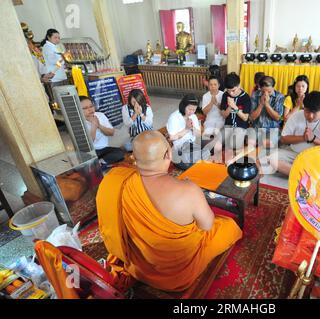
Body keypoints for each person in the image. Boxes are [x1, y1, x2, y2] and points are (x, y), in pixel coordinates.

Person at [96, 131, 242, 292]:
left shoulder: (116, 181)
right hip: (178, 276)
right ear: (168, 154)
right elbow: (207, 225)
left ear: (134, 158)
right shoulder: (189, 190)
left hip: (139, 267)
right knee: (228, 226)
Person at [268, 91, 320, 176]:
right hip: (294, 154)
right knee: (270, 158)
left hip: (316, 158)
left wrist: (314, 139)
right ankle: (305, 174)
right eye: (307, 111)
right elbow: (284, 139)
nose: (310, 116)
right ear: (304, 107)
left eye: (314, 112)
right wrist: (303, 138)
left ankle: (297, 172)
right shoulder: (296, 116)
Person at [167, 94, 210, 170]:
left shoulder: (193, 116)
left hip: (193, 145)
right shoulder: (174, 117)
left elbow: (198, 134)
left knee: (209, 148)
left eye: (194, 110)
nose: (191, 112)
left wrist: (193, 128)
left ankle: (197, 160)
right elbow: (172, 138)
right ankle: (196, 162)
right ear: (183, 106)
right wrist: (187, 129)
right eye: (189, 109)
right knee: (191, 161)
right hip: (181, 147)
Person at [217, 73, 252, 162]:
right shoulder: (225, 95)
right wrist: (229, 106)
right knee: (216, 144)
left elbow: (245, 118)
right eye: (229, 91)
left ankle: (237, 161)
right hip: (228, 125)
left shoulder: (245, 97)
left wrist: (235, 107)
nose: (231, 93)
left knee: (233, 144)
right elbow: (224, 115)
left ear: (239, 86)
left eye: (233, 90)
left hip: (240, 126)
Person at [80, 96, 125, 165]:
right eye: (85, 108)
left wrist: (99, 126)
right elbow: (88, 145)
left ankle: (100, 162)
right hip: (93, 151)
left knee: (120, 153)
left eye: (91, 106)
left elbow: (112, 133)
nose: (90, 109)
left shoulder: (100, 115)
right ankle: (102, 161)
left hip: (106, 147)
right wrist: (93, 127)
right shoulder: (79, 123)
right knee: (85, 160)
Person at [250, 76, 285, 148]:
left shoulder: (279, 97)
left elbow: (277, 118)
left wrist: (267, 104)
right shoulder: (255, 95)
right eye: (263, 92)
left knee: (267, 144)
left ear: (273, 87)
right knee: (249, 144)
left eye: (269, 92)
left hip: (272, 129)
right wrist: (261, 104)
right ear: (260, 88)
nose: (266, 94)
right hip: (257, 127)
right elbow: (252, 117)